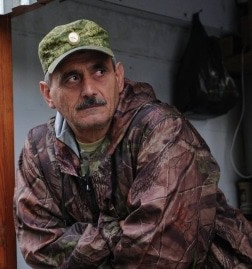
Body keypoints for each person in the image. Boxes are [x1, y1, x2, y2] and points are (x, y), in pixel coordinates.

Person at [13, 19, 252, 268]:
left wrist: (88, 243)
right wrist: (114, 233)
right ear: (47, 93)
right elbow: (39, 247)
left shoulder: (161, 129)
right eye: (72, 78)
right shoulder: (39, 148)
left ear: (118, 77)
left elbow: (161, 253)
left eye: (99, 71)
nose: (89, 89)